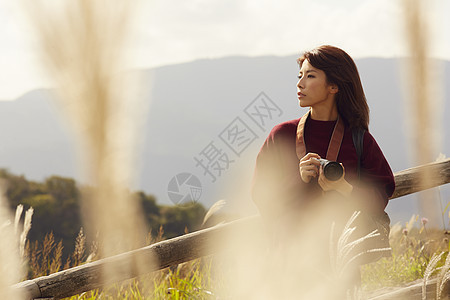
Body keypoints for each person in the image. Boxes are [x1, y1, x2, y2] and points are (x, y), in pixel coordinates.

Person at [251, 45, 395, 295]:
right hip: (287, 267)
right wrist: (298, 179)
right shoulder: (282, 135)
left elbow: (382, 194)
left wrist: (344, 188)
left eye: (310, 76)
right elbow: (259, 194)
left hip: (340, 269)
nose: (300, 84)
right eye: (300, 76)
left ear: (334, 86)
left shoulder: (358, 138)